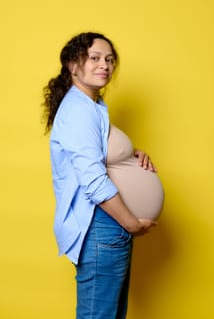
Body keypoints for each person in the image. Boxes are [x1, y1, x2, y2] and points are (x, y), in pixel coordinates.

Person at [42, 32, 163, 319]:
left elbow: (98, 158)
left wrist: (131, 156)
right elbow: (93, 181)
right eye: (94, 58)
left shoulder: (92, 106)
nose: (104, 65)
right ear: (73, 65)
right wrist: (131, 224)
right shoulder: (79, 109)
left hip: (108, 225)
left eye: (109, 60)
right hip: (102, 225)